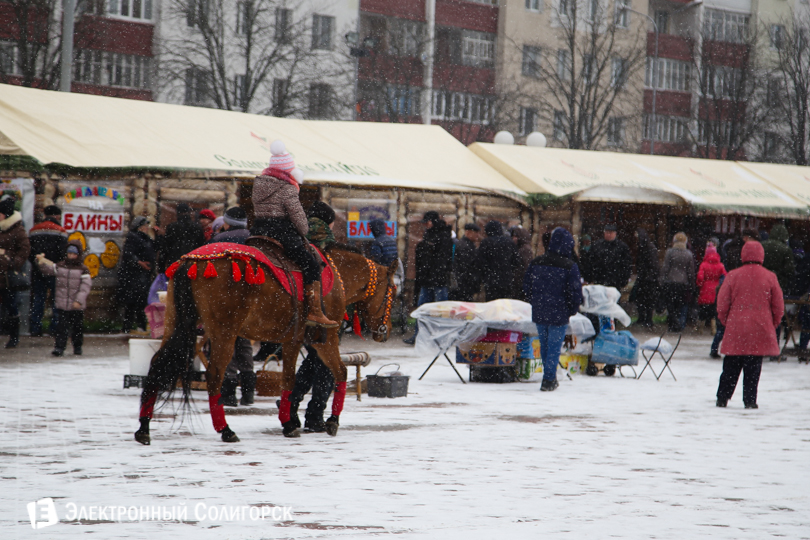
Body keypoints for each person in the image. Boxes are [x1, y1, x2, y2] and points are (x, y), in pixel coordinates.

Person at [250, 140, 336, 327]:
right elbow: (300, 221)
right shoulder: (287, 188)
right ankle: (314, 311)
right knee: (310, 264)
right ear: (289, 171)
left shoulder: (258, 185)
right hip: (281, 233)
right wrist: (304, 229)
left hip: (258, 232)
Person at [716, 240, 783, 409]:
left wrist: (725, 320)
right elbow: (778, 305)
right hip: (760, 326)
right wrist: (773, 322)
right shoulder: (770, 276)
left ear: (743, 255)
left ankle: (723, 397)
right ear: (762, 255)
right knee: (753, 367)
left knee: (731, 365)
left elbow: (722, 302)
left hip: (736, 326)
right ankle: (750, 400)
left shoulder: (732, 275)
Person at [523, 228, 583, 392]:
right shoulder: (570, 266)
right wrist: (572, 309)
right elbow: (575, 291)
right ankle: (548, 379)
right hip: (559, 312)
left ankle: (549, 376)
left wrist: (535, 301)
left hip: (540, 310)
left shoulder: (536, 262)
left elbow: (526, 286)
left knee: (545, 346)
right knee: (554, 347)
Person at [403, 211, 454, 345]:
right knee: (423, 310)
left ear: (432, 221)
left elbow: (442, 260)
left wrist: (432, 272)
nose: (425, 225)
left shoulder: (443, 236)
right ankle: (420, 335)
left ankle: (441, 338)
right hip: (429, 280)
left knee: (439, 311)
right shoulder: (431, 235)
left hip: (437, 281)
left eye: (427, 222)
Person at [36, 241, 92, 356]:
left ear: (78, 255)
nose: (71, 256)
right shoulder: (60, 266)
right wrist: (40, 262)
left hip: (76, 305)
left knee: (77, 328)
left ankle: (77, 347)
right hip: (62, 304)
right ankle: (59, 347)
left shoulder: (83, 269)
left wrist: (79, 301)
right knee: (61, 327)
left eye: (74, 254)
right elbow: (48, 270)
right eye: (69, 253)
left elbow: (85, 287)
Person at [28, 205, 67, 336]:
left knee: (39, 298)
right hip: (55, 270)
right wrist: (55, 265)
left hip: (38, 270)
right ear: (57, 216)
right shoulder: (61, 231)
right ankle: (55, 327)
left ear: (44, 215)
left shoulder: (34, 230)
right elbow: (63, 253)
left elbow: (30, 252)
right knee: (56, 299)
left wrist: (38, 262)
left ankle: (35, 327)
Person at [0, 196, 30, 348]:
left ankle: (14, 337)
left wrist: (13, 262)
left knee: (11, 304)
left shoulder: (18, 229)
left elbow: (25, 249)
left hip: (8, 275)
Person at [118, 217, 155, 333]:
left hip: (142, 276)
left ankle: (141, 326)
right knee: (132, 303)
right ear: (139, 227)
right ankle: (128, 327)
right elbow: (128, 254)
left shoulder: (146, 238)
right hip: (132, 276)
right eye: (145, 225)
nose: (147, 228)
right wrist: (140, 263)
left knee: (140, 303)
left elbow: (154, 248)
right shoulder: (133, 237)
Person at [660, 232, 695, 332]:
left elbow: (666, 267)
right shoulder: (688, 254)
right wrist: (692, 284)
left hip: (670, 281)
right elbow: (690, 271)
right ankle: (679, 324)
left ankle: (672, 324)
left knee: (671, 305)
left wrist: (662, 280)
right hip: (683, 283)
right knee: (680, 305)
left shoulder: (670, 252)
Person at [157, 203, 206, 273]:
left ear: (177, 213)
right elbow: (201, 247)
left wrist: (161, 267)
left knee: (175, 282)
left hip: (175, 262)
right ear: (188, 212)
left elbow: (165, 248)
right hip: (192, 263)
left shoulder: (172, 227)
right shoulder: (197, 227)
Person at [477, 220, 518, 301]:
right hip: (506, 280)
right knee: (505, 305)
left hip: (491, 282)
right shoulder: (509, 242)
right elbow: (516, 261)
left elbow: (480, 262)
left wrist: (484, 276)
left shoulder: (486, 242)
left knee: (492, 306)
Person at [586, 224, 632, 290]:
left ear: (615, 234)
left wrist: (624, 279)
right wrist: (590, 278)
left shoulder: (622, 247)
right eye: (607, 232)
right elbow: (589, 261)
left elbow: (627, 264)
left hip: (615, 280)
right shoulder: (596, 245)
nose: (609, 235)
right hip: (599, 279)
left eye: (611, 233)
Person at [696, 243, 726, 336]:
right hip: (715, 290)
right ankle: (713, 329)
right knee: (713, 312)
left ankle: (700, 328)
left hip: (705, 289)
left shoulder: (703, 265)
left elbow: (700, 277)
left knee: (703, 311)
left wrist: (700, 285)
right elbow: (725, 276)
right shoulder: (721, 265)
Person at [633, 228, 659, 329]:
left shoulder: (649, 248)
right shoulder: (642, 247)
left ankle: (648, 319)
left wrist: (649, 276)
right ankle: (642, 318)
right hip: (643, 278)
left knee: (648, 300)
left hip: (649, 279)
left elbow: (653, 265)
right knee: (640, 300)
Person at [762, 224, 795, 296]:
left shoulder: (762, 246)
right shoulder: (786, 249)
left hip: (762, 280)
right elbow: (789, 270)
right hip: (779, 282)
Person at [451, 223, 481, 301]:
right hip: (464, 285)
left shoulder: (467, 244)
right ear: (468, 232)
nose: (478, 235)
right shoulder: (465, 246)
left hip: (465, 284)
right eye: (475, 233)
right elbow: (466, 267)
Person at [510, 226, 533, 301]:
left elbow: (525, 267)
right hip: (519, 284)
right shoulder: (520, 248)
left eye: (516, 236)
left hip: (521, 285)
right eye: (513, 237)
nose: (514, 239)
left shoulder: (524, 249)